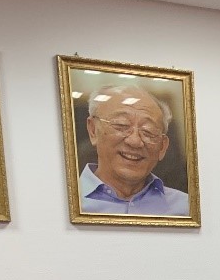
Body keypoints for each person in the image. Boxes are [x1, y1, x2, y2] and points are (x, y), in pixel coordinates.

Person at [79, 84, 190, 216]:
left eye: (148, 131)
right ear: (93, 130)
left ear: (162, 147)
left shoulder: (187, 208)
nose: (135, 141)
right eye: (122, 125)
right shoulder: (63, 200)